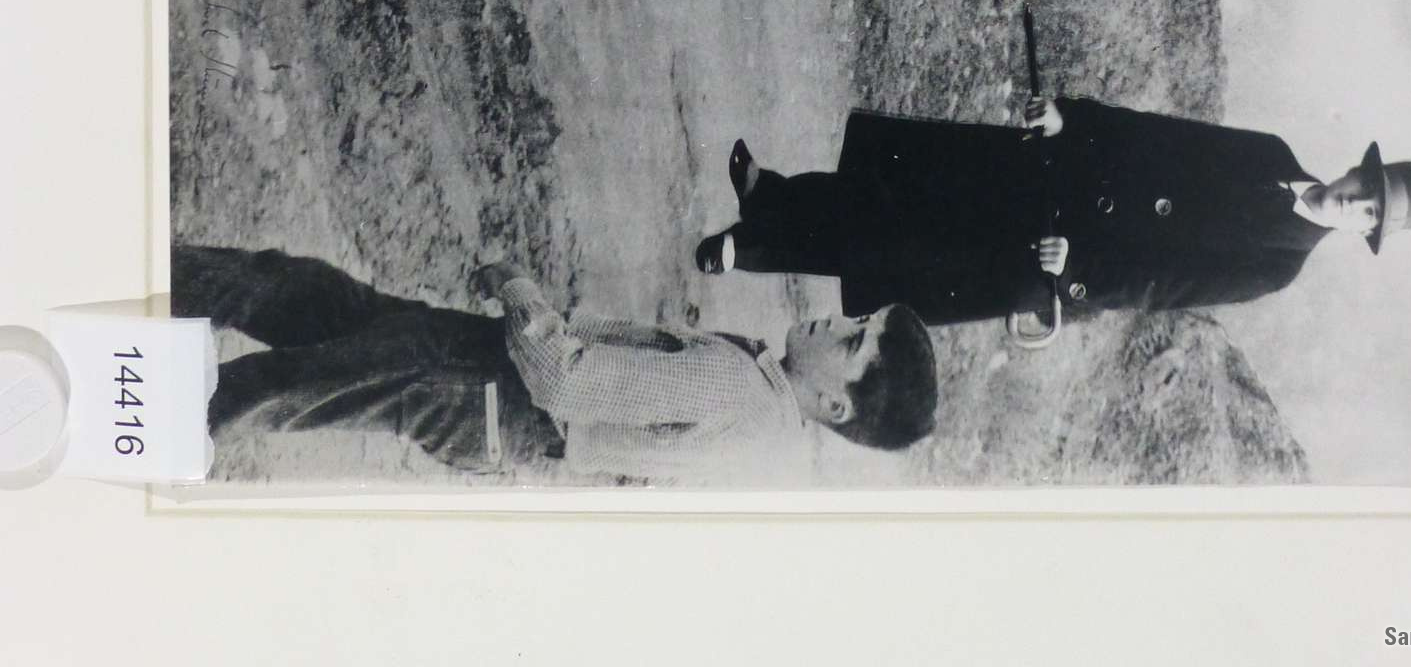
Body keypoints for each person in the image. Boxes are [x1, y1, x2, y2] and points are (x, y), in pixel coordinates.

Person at [172, 244, 938, 486]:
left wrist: (517, 287)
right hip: (487, 388)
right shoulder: (767, 420)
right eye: (859, 319)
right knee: (301, 295)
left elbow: (563, 379)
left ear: (836, 405)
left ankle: (130, 422)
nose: (836, 322)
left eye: (852, 343)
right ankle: (146, 278)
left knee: (276, 388)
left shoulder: (737, 388)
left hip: (488, 388)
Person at [694, 97, 1411, 325]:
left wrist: (1078, 275)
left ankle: (752, 249)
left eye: (1367, 213)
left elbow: (1158, 287)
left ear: (1363, 230)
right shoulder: (1271, 152)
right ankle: (770, 197)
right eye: (1364, 187)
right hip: (1054, 176)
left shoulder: (1277, 265)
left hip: (1055, 251)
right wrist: (1072, 121)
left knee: (906, 249)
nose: (1353, 202)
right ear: (1354, 169)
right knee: (903, 190)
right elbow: (1160, 134)